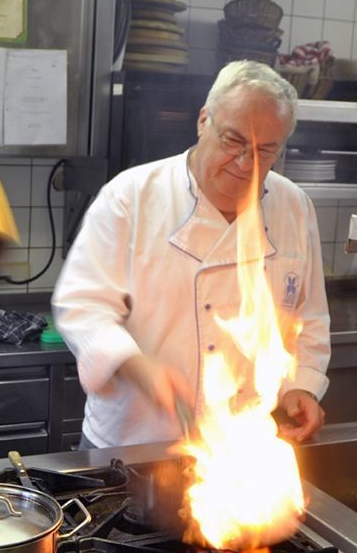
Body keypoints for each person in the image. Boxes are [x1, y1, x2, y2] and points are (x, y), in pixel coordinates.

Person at [52, 60, 330, 449]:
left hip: (240, 451)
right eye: (233, 140)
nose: (245, 164)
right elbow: (82, 307)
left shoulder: (294, 207)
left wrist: (301, 387)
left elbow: (309, 318)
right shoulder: (131, 196)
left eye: (266, 151)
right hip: (133, 444)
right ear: (204, 120)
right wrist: (138, 368)